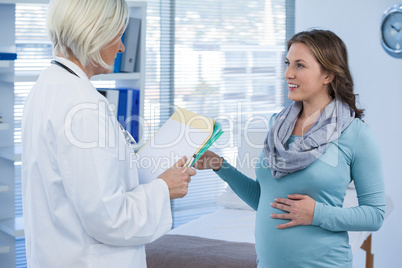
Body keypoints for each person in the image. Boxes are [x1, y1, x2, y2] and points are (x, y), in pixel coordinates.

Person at [21, 0, 196, 267]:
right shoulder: (84, 105)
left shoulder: (48, 85)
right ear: (93, 32)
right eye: (117, 35)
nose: (122, 47)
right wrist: (164, 188)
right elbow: (109, 219)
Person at [195, 29, 385, 267]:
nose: (288, 74)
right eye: (287, 64)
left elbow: (375, 214)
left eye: (300, 65)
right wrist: (221, 166)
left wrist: (316, 214)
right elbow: (266, 201)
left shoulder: (355, 134)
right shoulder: (278, 124)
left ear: (327, 75)